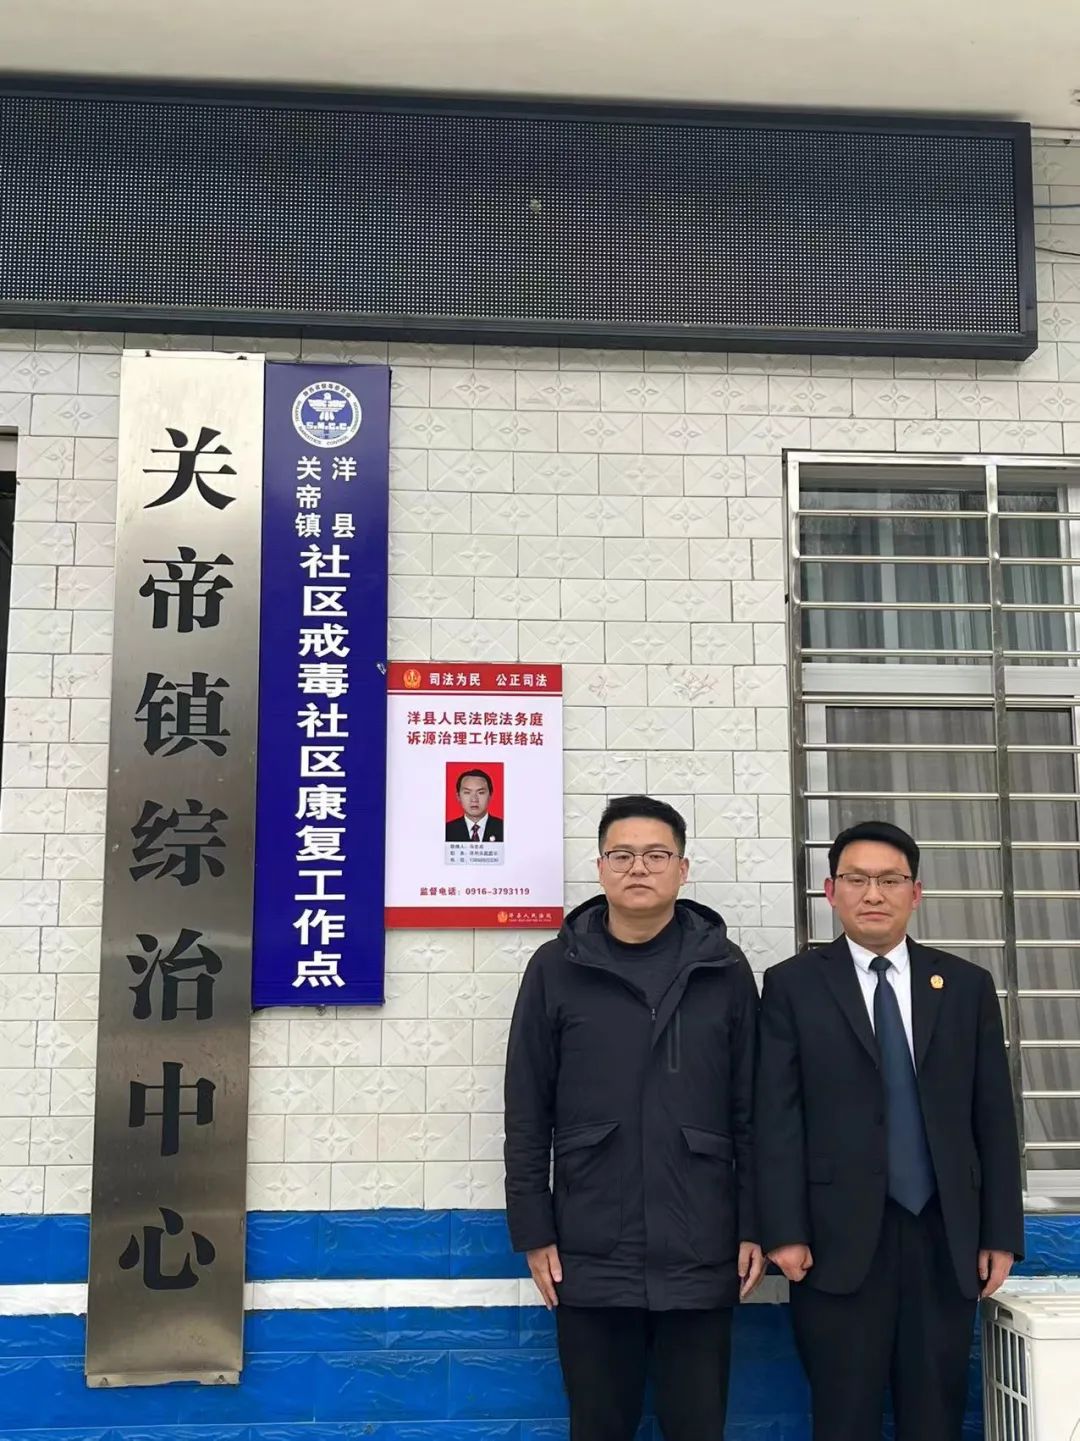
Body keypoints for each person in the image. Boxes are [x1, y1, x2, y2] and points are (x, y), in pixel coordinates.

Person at [504, 793, 764, 1441]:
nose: (638, 868)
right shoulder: (556, 967)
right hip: (590, 1246)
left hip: (701, 1241)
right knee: (598, 1424)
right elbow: (527, 1106)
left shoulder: (723, 968)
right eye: (621, 855)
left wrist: (756, 1223)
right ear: (599, 868)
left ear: (683, 868)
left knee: (697, 1426)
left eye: (655, 855)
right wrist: (533, 1227)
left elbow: (754, 1108)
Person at [755, 819, 1024, 1441]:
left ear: (915, 892)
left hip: (944, 1236)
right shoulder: (793, 985)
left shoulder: (965, 985)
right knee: (843, 1416)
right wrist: (784, 1230)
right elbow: (776, 1115)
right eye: (856, 880)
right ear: (831, 891)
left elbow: (992, 1114)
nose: (873, 894)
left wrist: (1001, 1232)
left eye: (890, 880)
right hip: (834, 1241)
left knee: (935, 1416)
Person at [445, 768, 504, 842]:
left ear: (490, 795)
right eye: (467, 792)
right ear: (458, 796)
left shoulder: (504, 828)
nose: (474, 799)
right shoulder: (446, 830)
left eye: (481, 792)